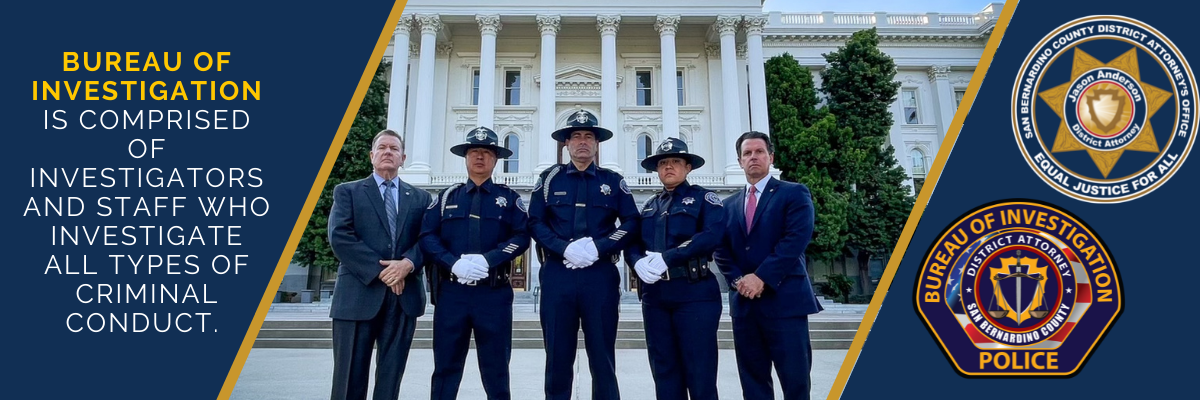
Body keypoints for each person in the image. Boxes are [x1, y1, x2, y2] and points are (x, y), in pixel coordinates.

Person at [527, 110, 639, 400]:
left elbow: (631, 223)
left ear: (597, 144)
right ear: (566, 143)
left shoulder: (612, 181)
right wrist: (563, 247)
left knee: (602, 357)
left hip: (599, 276)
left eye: (589, 136)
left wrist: (599, 247)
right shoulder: (549, 180)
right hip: (557, 275)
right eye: (576, 136)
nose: (582, 142)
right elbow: (535, 222)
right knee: (557, 357)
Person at [420, 126, 531, 400]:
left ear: (495, 159)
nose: (479, 157)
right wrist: (451, 263)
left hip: (493, 294)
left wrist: (489, 259)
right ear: (466, 158)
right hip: (452, 294)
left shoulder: (509, 200)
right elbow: (427, 236)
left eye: (486, 152)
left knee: (496, 369)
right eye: (474, 152)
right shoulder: (446, 198)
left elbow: (522, 236)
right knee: (446, 367)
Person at [714, 131, 823, 400]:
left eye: (759, 151)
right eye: (747, 153)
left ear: (770, 157)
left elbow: (795, 240)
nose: (753, 157)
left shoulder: (793, 193)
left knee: (795, 382)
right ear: (739, 161)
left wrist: (760, 277)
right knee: (753, 383)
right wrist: (740, 280)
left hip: (785, 303)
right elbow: (720, 249)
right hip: (745, 306)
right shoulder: (727, 206)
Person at [327, 129, 433, 400]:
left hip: (403, 298)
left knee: (390, 378)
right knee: (349, 377)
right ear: (372, 155)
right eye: (382, 148)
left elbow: (429, 239)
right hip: (357, 296)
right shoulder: (347, 192)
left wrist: (407, 264)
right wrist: (386, 271)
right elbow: (340, 236)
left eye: (394, 149)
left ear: (403, 158)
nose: (388, 152)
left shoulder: (421, 199)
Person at [623, 137, 726, 400]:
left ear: (688, 167)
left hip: (694, 294)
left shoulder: (704, 198)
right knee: (664, 371)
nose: (668, 167)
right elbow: (632, 241)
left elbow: (711, 235)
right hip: (656, 297)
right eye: (663, 163)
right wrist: (636, 262)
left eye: (675, 162)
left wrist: (669, 257)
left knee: (699, 372)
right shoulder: (650, 205)